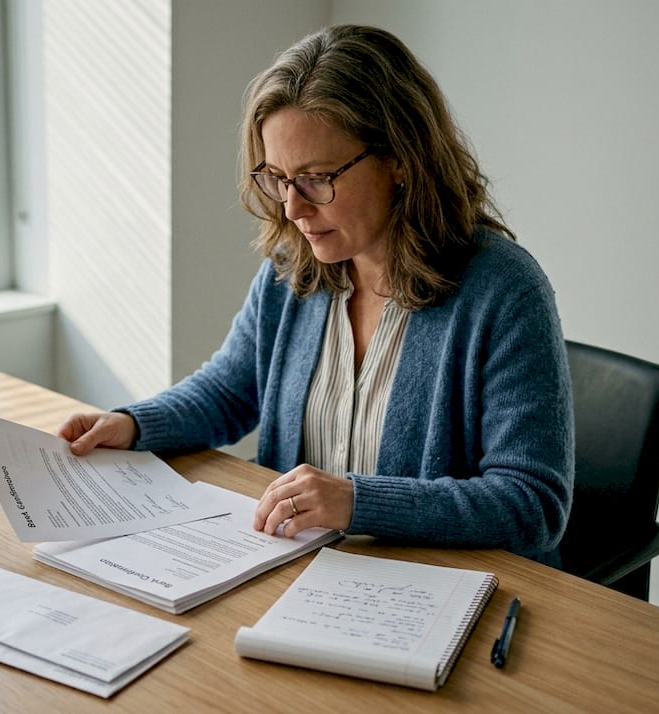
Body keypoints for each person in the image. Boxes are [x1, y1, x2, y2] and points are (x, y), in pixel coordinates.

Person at [57, 24, 573, 563]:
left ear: (400, 160)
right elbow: (231, 390)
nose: (292, 208)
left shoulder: (504, 291)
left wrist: (358, 502)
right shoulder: (293, 267)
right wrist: (136, 424)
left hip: (448, 593)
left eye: (316, 177)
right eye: (278, 178)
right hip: (305, 572)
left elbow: (532, 504)